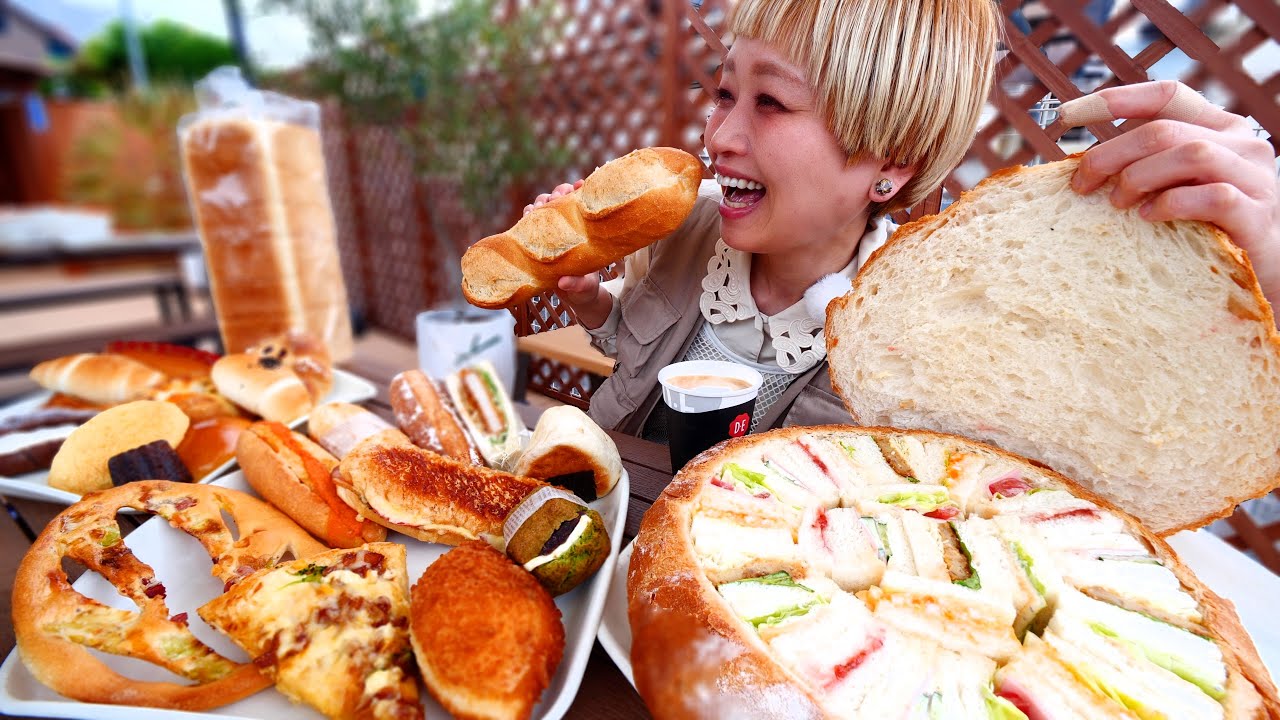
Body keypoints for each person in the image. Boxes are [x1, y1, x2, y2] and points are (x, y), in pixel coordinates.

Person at [524, 0, 1280, 443]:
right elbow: (630, 350)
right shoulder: (685, 233)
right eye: (725, 93)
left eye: (771, 102)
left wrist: (1267, 265)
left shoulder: (913, 337)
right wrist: (594, 304)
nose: (718, 136)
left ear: (892, 164)